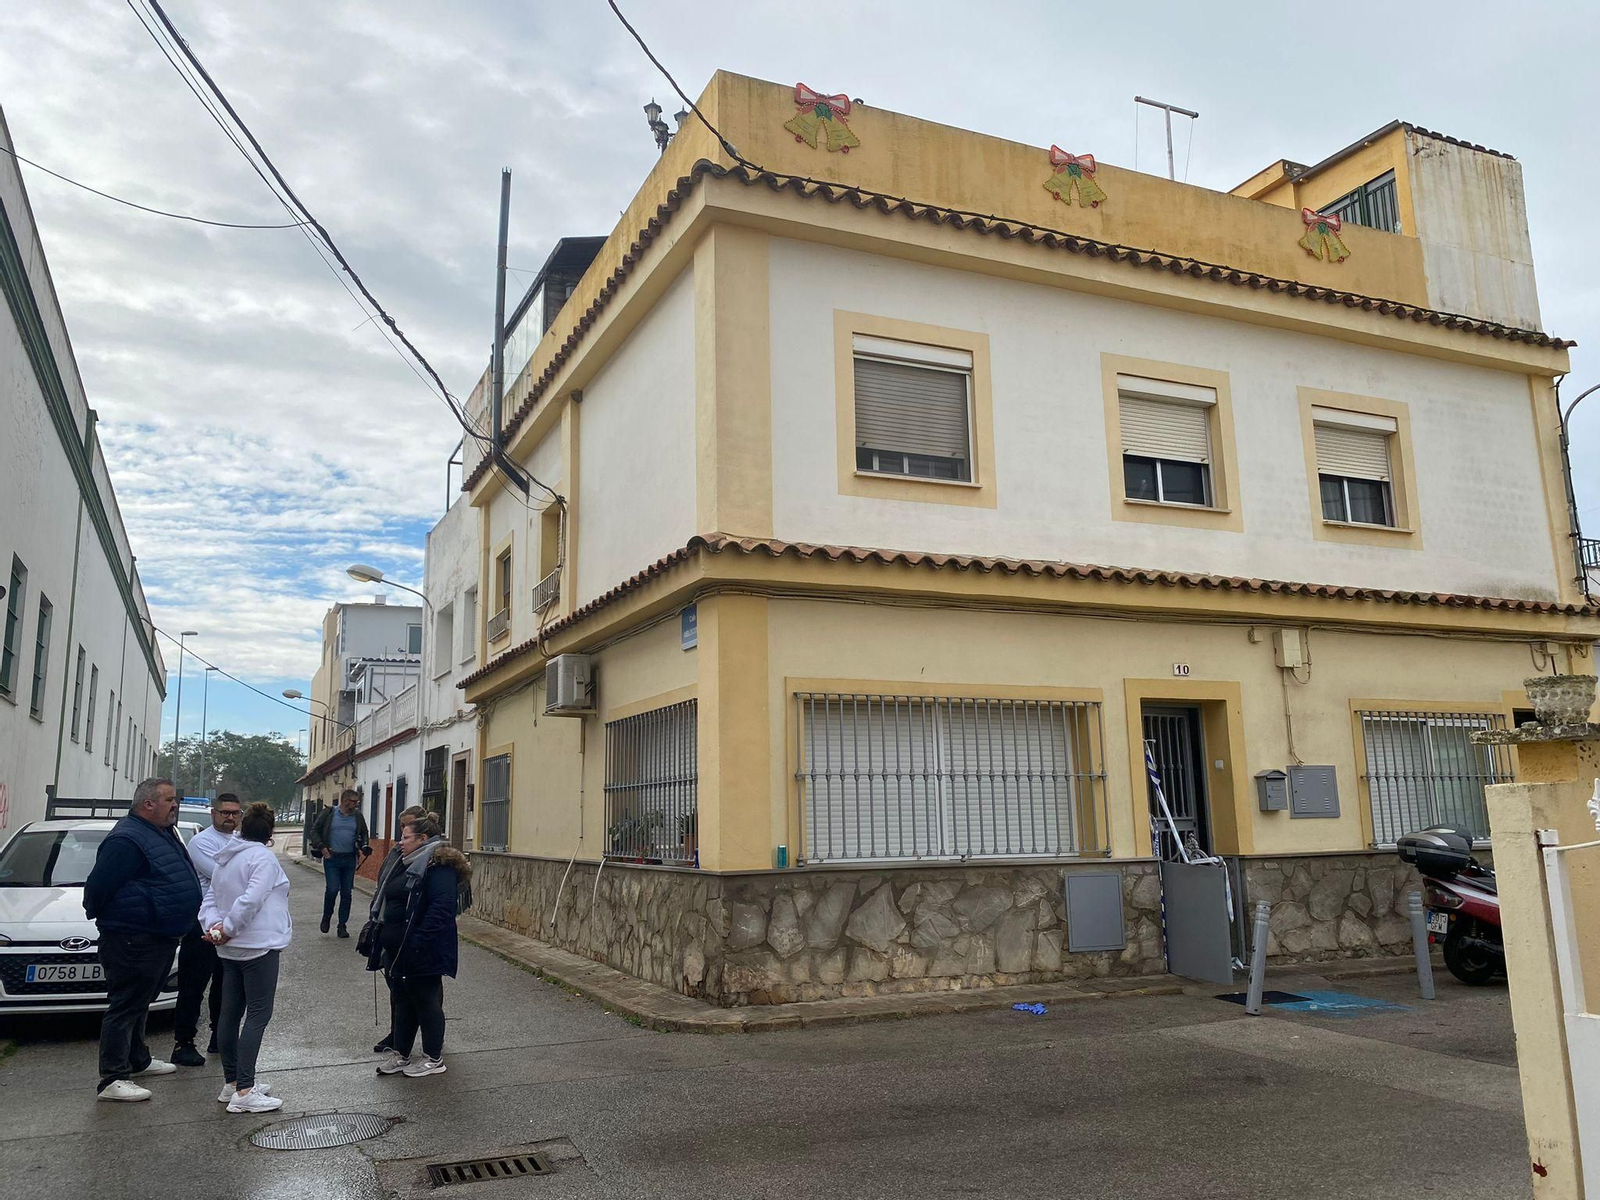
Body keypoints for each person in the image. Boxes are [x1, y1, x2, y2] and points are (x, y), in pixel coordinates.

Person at [83, 778, 203, 1102]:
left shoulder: (158, 832)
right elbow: (97, 888)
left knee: (140, 1002)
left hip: (158, 936)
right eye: (169, 800)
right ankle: (112, 1077)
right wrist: (117, 921)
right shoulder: (128, 840)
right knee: (125, 1005)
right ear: (148, 804)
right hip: (133, 938)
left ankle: (138, 1059)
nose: (175, 804)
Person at [201, 802, 291, 1113]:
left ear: (242, 827)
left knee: (230, 1012)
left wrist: (215, 929)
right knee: (257, 1015)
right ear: (270, 832)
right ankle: (245, 1090)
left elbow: (211, 896)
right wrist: (226, 928)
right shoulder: (263, 858)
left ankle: (232, 1082)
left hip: (230, 948)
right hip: (258, 946)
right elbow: (251, 899)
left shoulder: (227, 857)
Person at [367, 814, 469, 1078]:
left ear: (423, 839)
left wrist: (417, 941)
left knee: (425, 1001)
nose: (400, 842)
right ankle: (401, 1053)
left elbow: (441, 909)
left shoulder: (438, 866)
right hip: (398, 948)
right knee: (402, 1000)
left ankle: (433, 1058)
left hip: (422, 948)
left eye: (406, 837)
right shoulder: (406, 862)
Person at [171, 793, 241, 1066]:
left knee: (226, 986)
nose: (230, 817)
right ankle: (183, 1042)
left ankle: (219, 1037)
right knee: (193, 985)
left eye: (235, 813)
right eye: (225, 812)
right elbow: (224, 877)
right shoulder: (202, 842)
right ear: (214, 814)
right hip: (202, 923)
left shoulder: (240, 841)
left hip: (231, 923)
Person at [368, 804, 428, 1055]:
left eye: (409, 826)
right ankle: (398, 1035)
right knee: (395, 985)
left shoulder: (428, 858)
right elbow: (384, 884)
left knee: (423, 992)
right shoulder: (397, 851)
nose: (403, 832)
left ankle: (429, 1037)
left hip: (410, 934)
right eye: (402, 826)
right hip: (389, 927)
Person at [305, 788, 371, 937]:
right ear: (345, 801)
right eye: (353, 802)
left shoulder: (357, 816)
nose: (356, 804)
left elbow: (364, 832)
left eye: (357, 802)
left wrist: (364, 845)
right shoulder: (329, 813)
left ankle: (342, 925)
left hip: (349, 858)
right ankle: (327, 916)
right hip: (332, 857)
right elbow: (314, 831)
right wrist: (322, 847)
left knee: (347, 893)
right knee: (333, 889)